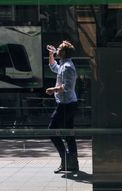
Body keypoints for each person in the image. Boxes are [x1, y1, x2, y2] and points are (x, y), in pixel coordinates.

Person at [45, 40, 79, 173]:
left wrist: (52, 89)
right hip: (68, 104)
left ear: (64, 52)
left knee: (51, 131)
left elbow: (68, 88)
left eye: (58, 49)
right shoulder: (64, 64)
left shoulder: (68, 67)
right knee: (69, 133)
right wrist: (51, 54)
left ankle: (66, 160)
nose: (57, 49)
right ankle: (72, 163)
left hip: (66, 105)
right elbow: (53, 67)